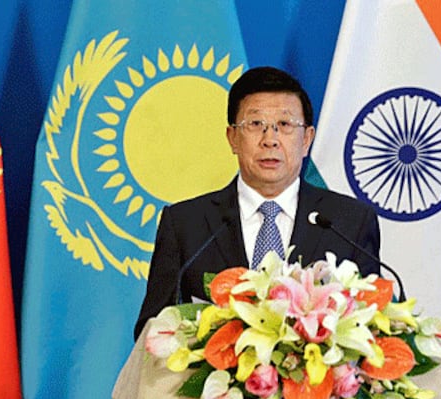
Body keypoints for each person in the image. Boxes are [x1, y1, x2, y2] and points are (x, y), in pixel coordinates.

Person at [134, 66, 381, 340]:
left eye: (285, 125)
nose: (270, 140)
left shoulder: (350, 223)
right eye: (255, 125)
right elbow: (152, 331)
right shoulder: (185, 224)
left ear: (307, 139)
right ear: (232, 138)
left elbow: (374, 323)